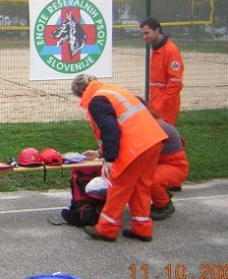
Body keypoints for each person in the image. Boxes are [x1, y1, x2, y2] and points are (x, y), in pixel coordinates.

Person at [71, 74, 167, 242]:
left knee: (119, 186)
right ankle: (142, 228)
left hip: (135, 147)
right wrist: (100, 153)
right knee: (141, 186)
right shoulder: (111, 91)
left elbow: (111, 130)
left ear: (81, 93)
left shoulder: (96, 100)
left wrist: (109, 158)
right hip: (152, 141)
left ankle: (107, 229)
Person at [138, 98, 189, 220]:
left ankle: (164, 205)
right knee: (141, 175)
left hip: (175, 167)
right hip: (165, 164)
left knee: (148, 179)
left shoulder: (155, 126)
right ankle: (163, 193)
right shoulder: (151, 123)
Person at [140, 17, 184, 125]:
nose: (144, 37)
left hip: (165, 104)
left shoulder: (170, 50)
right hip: (156, 100)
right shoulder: (157, 49)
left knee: (164, 135)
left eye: (146, 33)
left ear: (157, 30)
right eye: (142, 34)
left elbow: (175, 82)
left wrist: (163, 104)